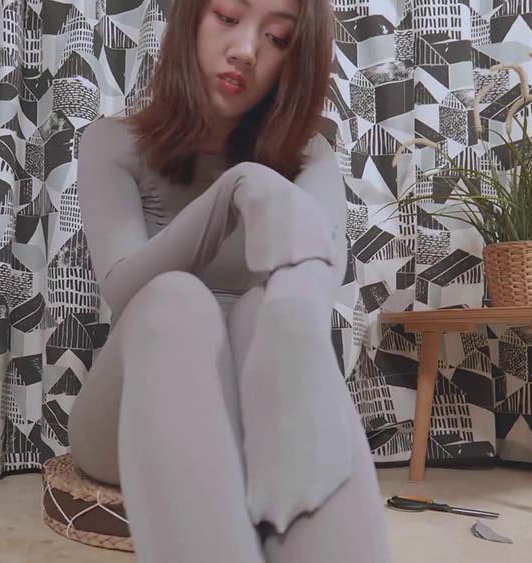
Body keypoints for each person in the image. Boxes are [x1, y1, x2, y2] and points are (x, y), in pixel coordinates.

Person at [67, 0, 392, 560]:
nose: (245, 50)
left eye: (278, 38)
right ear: (192, 18)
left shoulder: (309, 154)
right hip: (129, 403)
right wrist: (234, 193)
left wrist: (289, 316)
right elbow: (121, 290)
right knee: (173, 299)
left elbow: (314, 282)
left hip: (257, 396)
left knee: (270, 308)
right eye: (227, 17)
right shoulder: (112, 141)